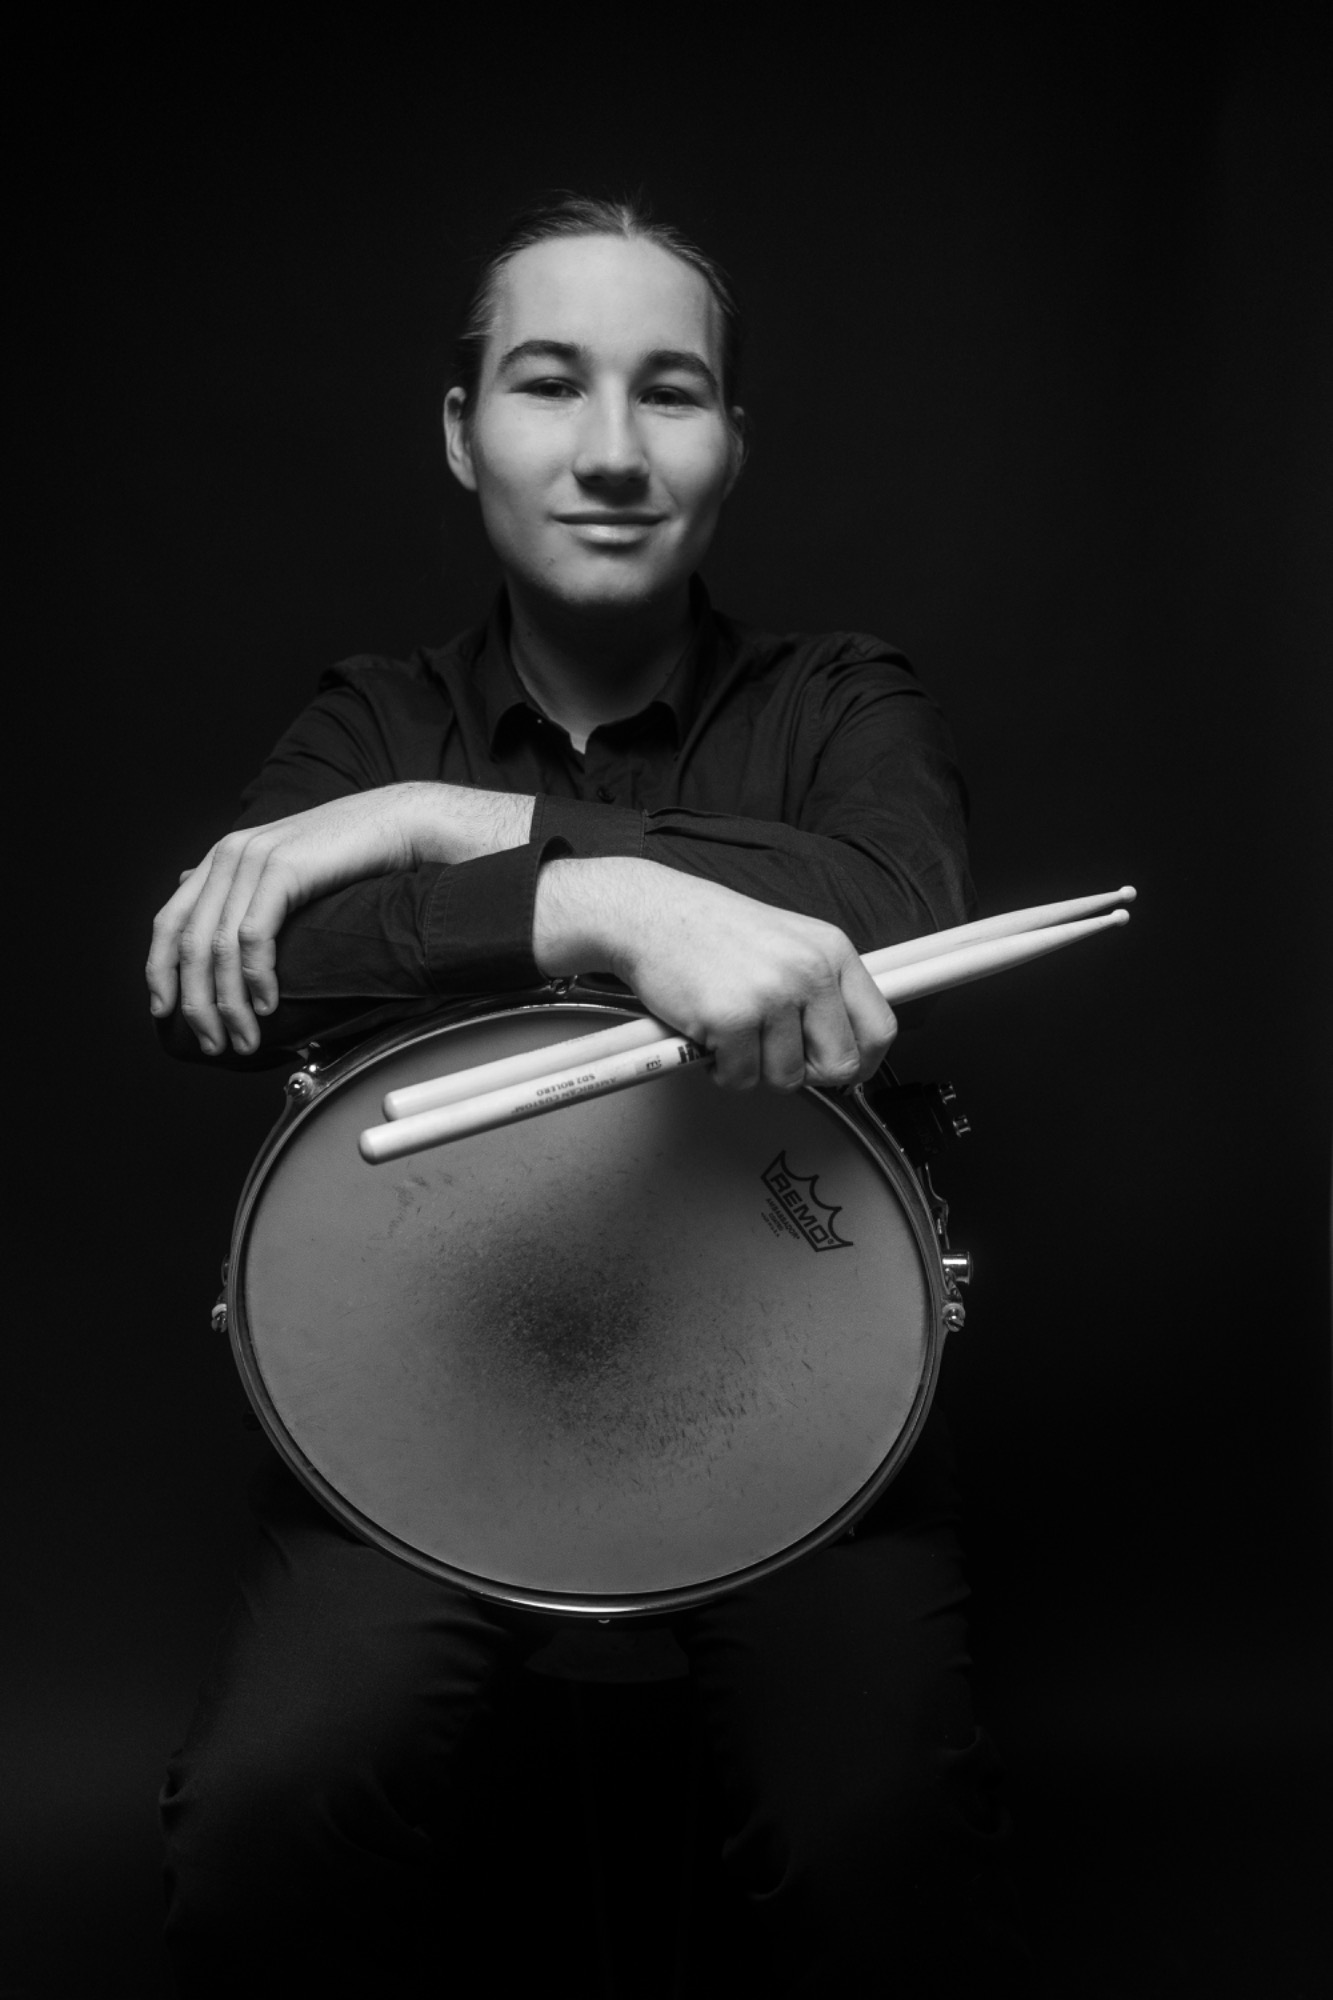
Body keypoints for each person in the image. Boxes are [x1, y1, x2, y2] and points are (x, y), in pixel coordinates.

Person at [147, 194, 1017, 1996]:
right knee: (264, 1818)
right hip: (423, 1422)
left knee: (880, 1837)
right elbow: (230, 985)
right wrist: (591, 907)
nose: (611, 449)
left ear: (730, 443)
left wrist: (457, 829)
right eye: (549, 384)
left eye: (668, 392)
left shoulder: (841, 698)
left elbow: (895, 914)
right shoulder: (363, 723)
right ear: (462, 430)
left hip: (803, 1413)